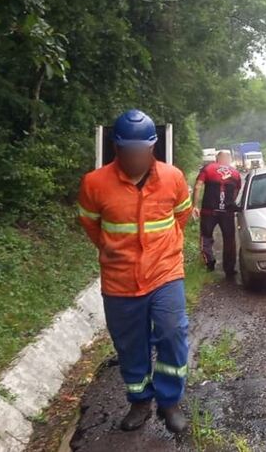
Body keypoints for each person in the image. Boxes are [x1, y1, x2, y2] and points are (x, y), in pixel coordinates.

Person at [76, 109, 192, 433]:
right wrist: (111, 249)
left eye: (142, 151)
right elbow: (90, 223)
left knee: (172, 332)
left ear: (152, 147)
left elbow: (182, 215)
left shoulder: (172, 177)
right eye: (129, 151)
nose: (136, 157)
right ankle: (140, 400)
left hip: (165, 272)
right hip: (120, 278)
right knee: (129, 344)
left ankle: (170, 402)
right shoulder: (95, 183)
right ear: (117, 148)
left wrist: (167, 247)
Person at [193, 150, 242, 276]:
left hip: (209, 210)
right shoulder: (235, 173)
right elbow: (236, 192)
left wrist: (195, 206)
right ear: (229, 159)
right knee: (229, 240)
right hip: (227, 212)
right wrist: (229, 202)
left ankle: (209, 262)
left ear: (217, 158)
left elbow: (198, 186)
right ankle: (229, 269)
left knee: (206, 237)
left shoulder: (208, 168)